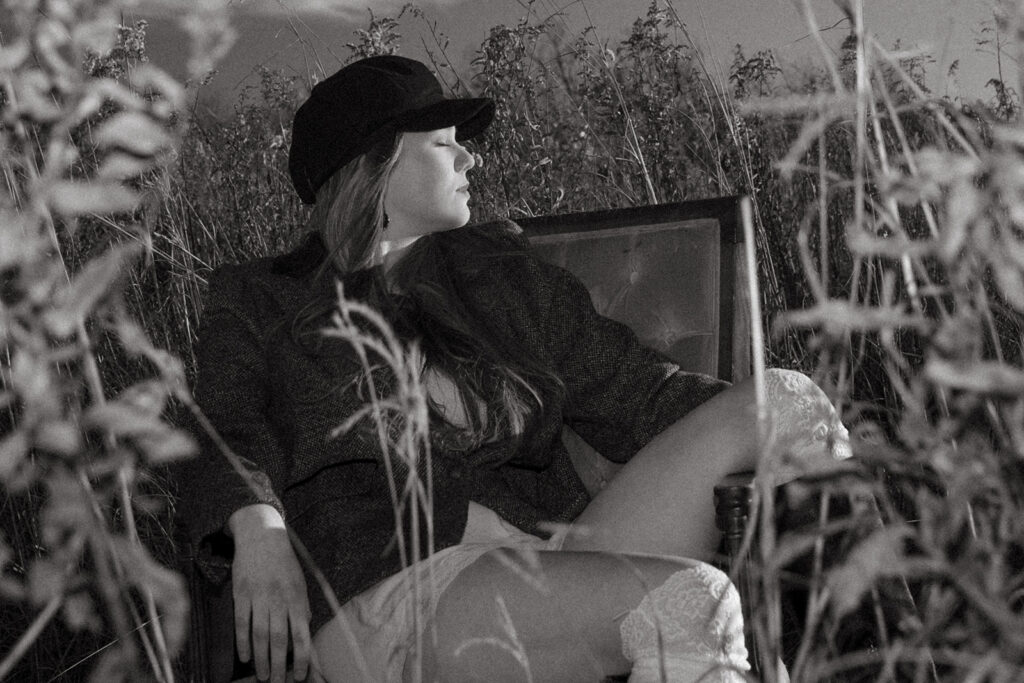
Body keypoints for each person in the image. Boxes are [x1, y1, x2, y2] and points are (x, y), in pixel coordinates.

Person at [182, 55, 850, 683]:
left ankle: (889, 633)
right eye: (446, 143)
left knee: (791, 399)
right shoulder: (262, 297)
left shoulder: (500, 278)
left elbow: (643, 393)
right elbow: (228, 428)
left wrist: (775, 436)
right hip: (388, 580)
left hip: (545, 552)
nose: (471, 156)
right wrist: (256, 524)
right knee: (692, 602)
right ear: (377, 163)